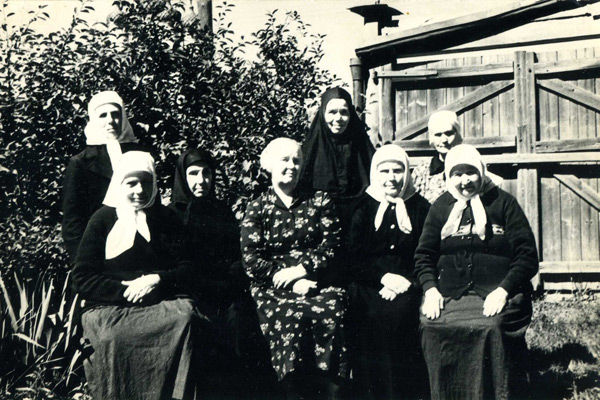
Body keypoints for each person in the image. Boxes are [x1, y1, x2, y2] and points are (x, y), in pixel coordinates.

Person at [72, 151, 201, 400]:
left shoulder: (167, 219)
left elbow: (188, 268)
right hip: (111, 305)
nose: (140, 190)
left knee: (186, 320)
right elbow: (83, 278)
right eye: (132, 183)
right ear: (119, 184)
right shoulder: (101, 220)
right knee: (113, 336)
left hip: (161, 300)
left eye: (146, 182)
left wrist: (157, 279)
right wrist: (125, 290)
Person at [414, 144, 539, 400]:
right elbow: (424, 255)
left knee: (491, 326)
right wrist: (431, 290)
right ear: (448, 176)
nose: (465, 180)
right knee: (431, 326)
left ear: (481, 171)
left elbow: (527, 257)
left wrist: (503, 290)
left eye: (470, 172)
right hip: (451, 293)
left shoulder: (504, 203)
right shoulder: (441, 206)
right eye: (457, 174)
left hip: (498, 292)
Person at [240, 138, 349, 400]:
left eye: (296, 160)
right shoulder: (257, 207)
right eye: (284, 160)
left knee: (331, 313)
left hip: (318, 281)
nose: (291, 166)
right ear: (269, 165)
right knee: (289, 318)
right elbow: (251, 259)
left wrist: (302, 270)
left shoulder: (320, 201)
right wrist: (290, 281)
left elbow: (333, 245)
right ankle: (292, 392)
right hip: (273, 287)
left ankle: (331, 393)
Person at [347, 144, 430, 400]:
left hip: (408, 283)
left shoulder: (420, 208)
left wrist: (408, 282)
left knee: (399, 316)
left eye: (397, 170)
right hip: (369, 281)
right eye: (385, 171)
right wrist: (383, 278)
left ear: (407, 173)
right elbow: (351, 258)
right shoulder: (362, 207)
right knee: (367, 315)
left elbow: (427, 253)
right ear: (375, 173)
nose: (391, 178)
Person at [62, 90, 145, 262]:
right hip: (99, 250)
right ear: (93, 119)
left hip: (140, 248)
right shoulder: (80, 163)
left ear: (123, 117)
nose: (110, 120)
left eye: (115, 114)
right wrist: (82, 262)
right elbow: (73, 221)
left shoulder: (140, 155)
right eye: (103, 115)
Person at [299, 87, 375, 228]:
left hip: (358, 220)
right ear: (323, 113)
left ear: (351, 114)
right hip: (319, 221)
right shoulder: (311, 149)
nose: (338, 118)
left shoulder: (362, 146)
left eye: (344, 112)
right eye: (332, 112)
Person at [411, 110, 462, 204]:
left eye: (449, 133)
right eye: (438, 135)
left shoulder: (470, 167)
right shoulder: (421, 172)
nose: (444, 140)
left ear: (457, 134)